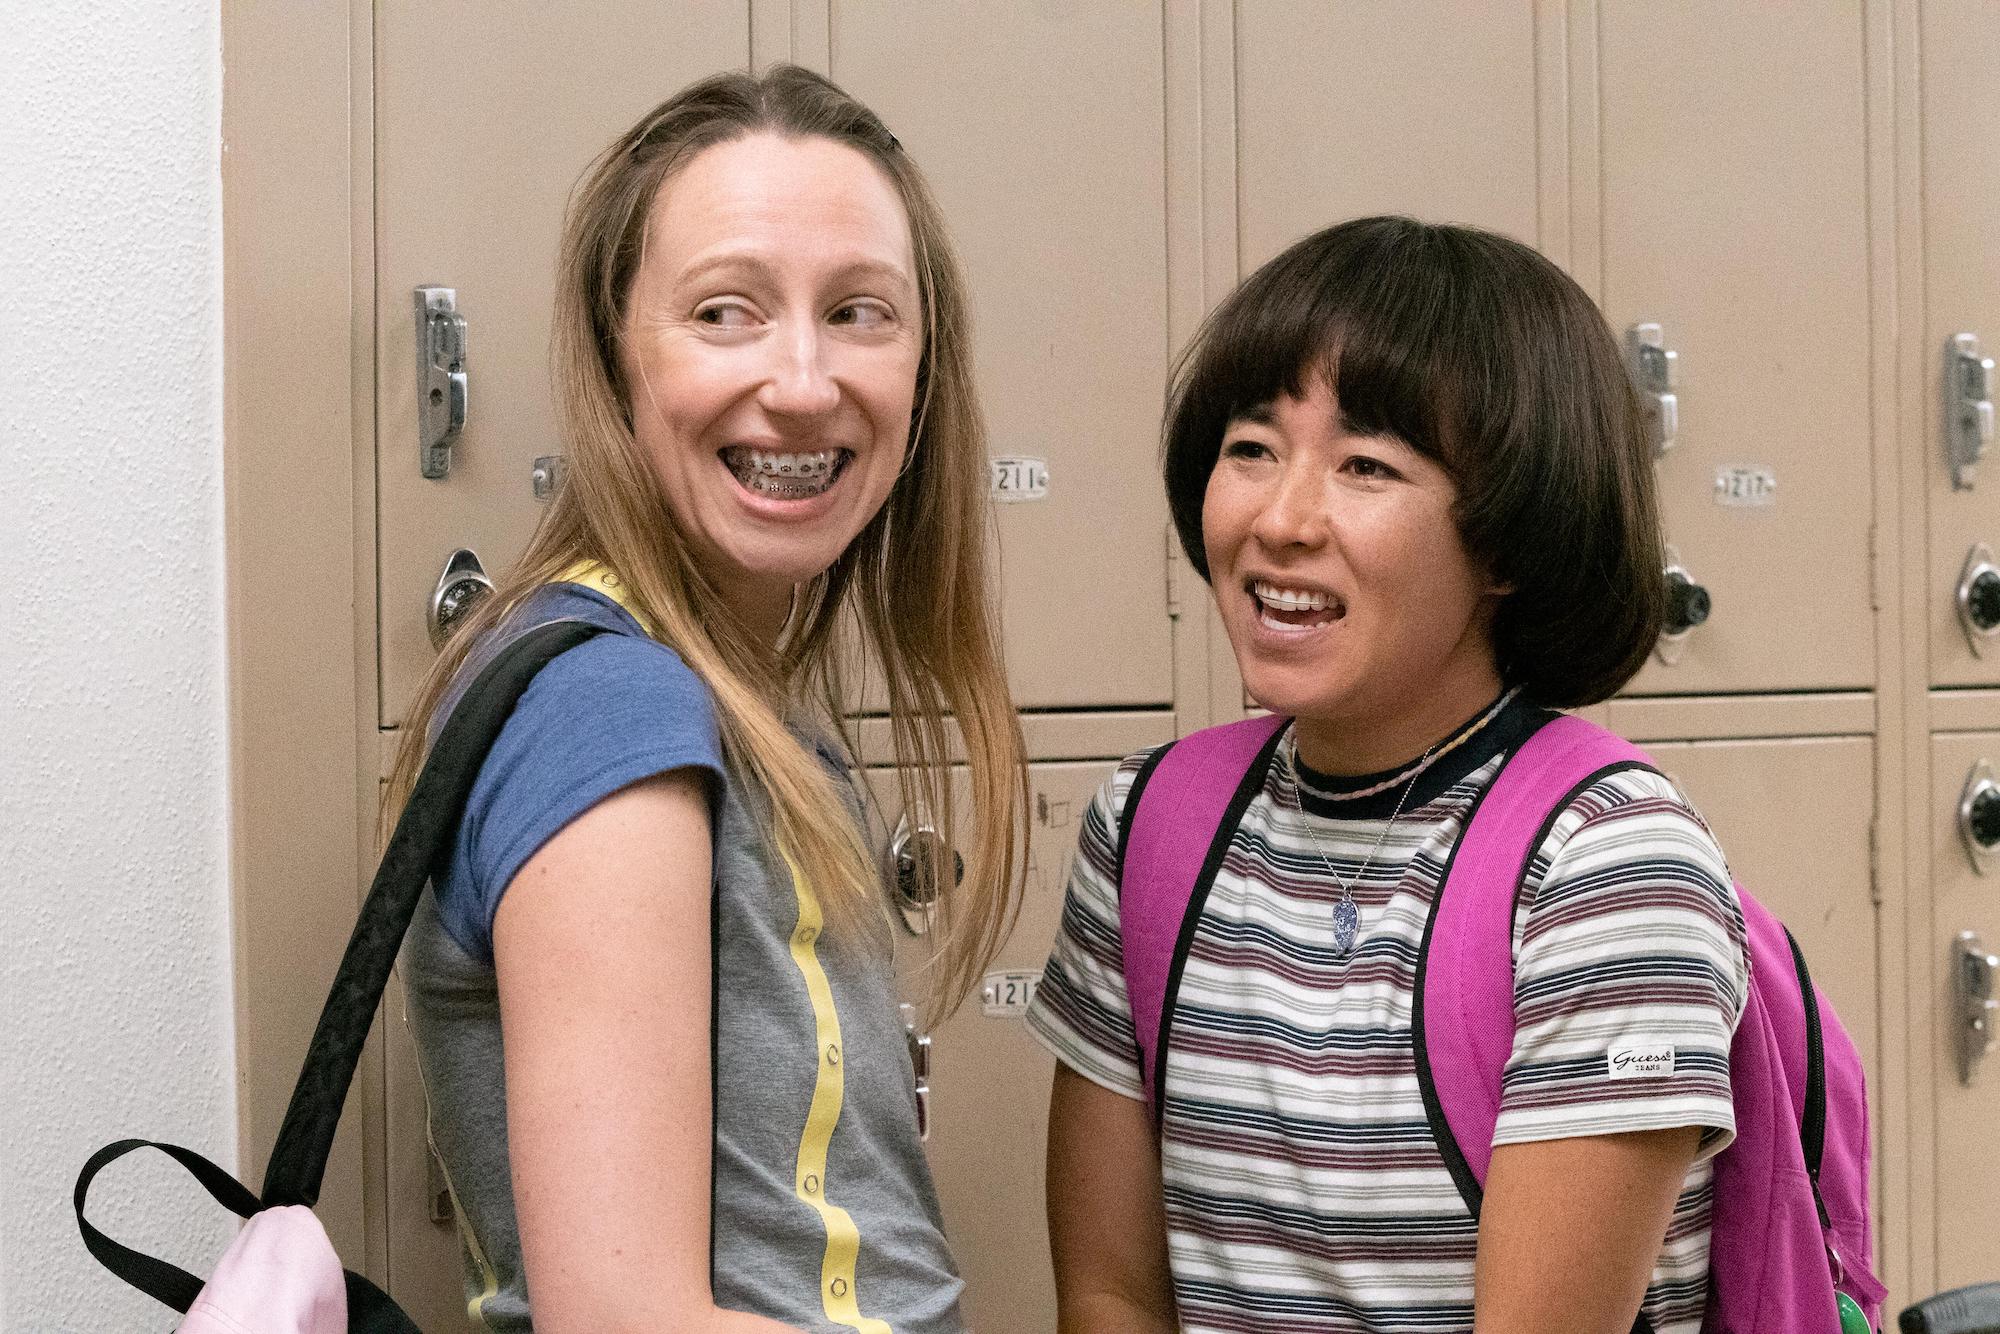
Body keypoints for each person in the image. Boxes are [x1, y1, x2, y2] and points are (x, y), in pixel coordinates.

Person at [384, 65, 1029, 1334]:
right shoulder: (613, 708)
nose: (801, 381)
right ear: (617, 357)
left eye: (859, 312)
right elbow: (628, 1319)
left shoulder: (720, 687)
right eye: (724, 312)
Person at [1027, 216, 1750, 1334]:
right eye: (1251, 447)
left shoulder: (1606, 860)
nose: (1279, 518)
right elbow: (1112, 1294)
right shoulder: (1147, 826)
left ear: (1507, 539)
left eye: (1365, 466)